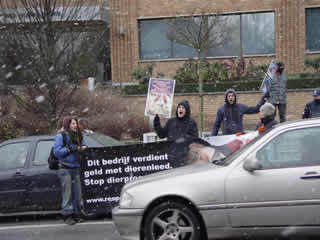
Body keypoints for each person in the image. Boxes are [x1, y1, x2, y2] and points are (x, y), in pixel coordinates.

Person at [53, 116, 87, 225]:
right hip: (65, 168)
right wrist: (69, 149)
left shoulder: (78, 135)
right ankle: (67, 215)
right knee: (67, 193)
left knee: (77, 193)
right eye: (72, 123)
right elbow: (57, 152)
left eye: (75, 123)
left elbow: (84, 145)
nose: (75, 125)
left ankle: (77, 213)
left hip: (76, 167)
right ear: (67, 124)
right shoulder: (61, 136)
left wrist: (82, 148)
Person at [153, 100, 199, 167]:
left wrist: (183, 139)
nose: (180, 109)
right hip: (172, 156)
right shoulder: (171, 121)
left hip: (185, 156)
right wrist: (156, 122)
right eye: (179, 107)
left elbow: (195, 139)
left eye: (183, 108)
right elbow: (161, 135)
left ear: (187, 110)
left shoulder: (191, 123)